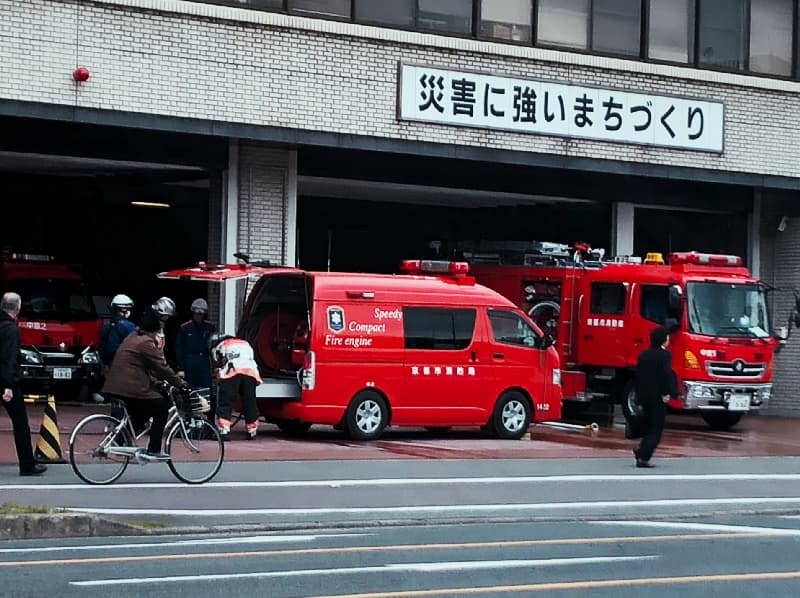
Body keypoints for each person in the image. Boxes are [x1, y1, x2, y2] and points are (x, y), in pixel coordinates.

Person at [102, 305, 190, 460]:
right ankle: (154, 449)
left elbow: (143, 369)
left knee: (139, 414)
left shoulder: (133, 336)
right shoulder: (146, 343)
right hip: (130, 387)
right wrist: (181, 384)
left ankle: (120, 440)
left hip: (117, 385)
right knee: (161, 408)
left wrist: (156, 383)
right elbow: (162, 368)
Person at [0, 292, 46, 476]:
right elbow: (9, 359)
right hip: (6, 382)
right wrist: (8, 385)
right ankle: (27, 464)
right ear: (17, 309)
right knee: (20, 423)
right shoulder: (11, 330)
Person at [632, 325, 678, 468]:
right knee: (656, 428)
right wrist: (669, 393)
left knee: (648, 425)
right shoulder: (665, 355)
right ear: (663, 340)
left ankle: (641, 451)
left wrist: (638, 396)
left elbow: (638, 376)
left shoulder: (643, 355)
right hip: (658, 397)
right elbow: (666, 376)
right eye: (667, 337)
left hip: (644, 395)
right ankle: (643, 456)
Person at [209, 333, 261, 441]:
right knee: (249, 401)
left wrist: (218, 374)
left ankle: (224, 431)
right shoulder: (245, 344)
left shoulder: (220, 345)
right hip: (250, 373)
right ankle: (252, 430)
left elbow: (217, 362)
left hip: (232, 372)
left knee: (226, 401)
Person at [175, 298, 215, 390]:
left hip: (204, 360)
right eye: (197, 313)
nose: (199, 316)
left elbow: (213, 347)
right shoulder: (185, 328)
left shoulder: (210, 328)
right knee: (190, 387)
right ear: (193, 313)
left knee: (205, 388)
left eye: (201, 314)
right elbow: (179, 348)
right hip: (189, 361)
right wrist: (181, 368)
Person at [98, 294, 136, 367]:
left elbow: (102, 348)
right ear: (124, 309)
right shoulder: (129, 326)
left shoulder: (106, 327)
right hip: (125, 365)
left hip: (110, 365)